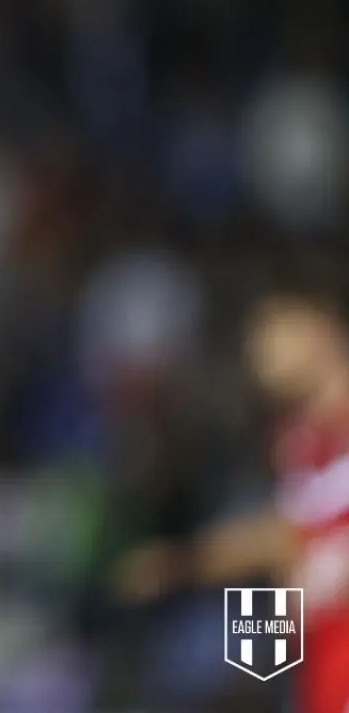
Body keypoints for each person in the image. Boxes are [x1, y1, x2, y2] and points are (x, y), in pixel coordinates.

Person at [112, 286, 349, 713]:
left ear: (321, 323)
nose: (259, 353)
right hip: (323, 678)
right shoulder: (293, 441)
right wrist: (261, 670)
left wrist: (183, 562)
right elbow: (283, 553)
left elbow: (275, 540)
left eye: (272, 330)